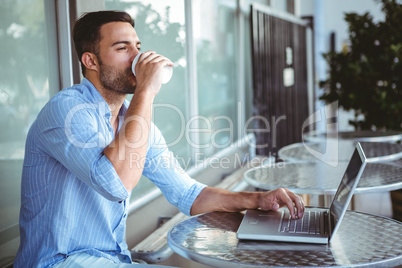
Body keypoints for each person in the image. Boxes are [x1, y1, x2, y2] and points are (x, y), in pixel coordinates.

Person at [14, 10, 304, 268]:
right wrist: (147, 91)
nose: (137, 57)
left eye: (138, 47)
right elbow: (115, 183)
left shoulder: (136, 123)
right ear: (90, 60)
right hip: (59, 260)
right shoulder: (66, 109)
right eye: (122, 48)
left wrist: (258, 199)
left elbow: (189, 194)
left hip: (111, 257)